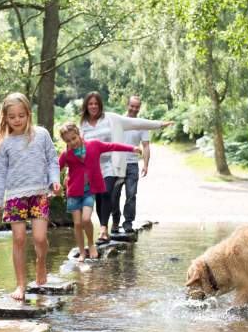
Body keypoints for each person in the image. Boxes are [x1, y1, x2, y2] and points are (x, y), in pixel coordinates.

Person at [0, 92, 61, 300]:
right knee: (19, 239)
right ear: (5, 118)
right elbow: (0, 174)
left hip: (39, 193)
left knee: (40, 237)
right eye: (12, 117)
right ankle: (21, 285)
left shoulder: (41, 134)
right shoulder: (5, 143)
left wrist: (54, 180)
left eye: (21, 115)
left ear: (28, 114)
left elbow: (52, 160)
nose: (17, 120)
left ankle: (41, 262)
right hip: (14, 197)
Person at [79, 91, 173, 243]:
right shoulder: (83, 124)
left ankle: (104, 229)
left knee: (107, 192)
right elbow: (78, 146)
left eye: (96, 103)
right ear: (86, 106)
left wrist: (159, 124)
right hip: (93, 167)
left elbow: (138, 123)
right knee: (99, 197)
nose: (93, 106)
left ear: (100, 105)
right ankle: (107, 226)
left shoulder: (111, 118)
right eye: (90, 104)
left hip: (111, 164)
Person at [58, 122, 141, 259]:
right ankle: (82, 251)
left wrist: (132, 148)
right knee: (77, 224)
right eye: (68, 140)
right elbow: (56, 168)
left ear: (79, 134)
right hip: (73, 192)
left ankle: (91, 244)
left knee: (86, 219)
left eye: (74, 138)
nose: (72, 142)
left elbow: (113, 146)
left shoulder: (94, 145)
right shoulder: (66, 154)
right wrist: (53, 185)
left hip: (89, 191)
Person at [112, 96, 150, 233]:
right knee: (114, 194)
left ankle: (128, 222)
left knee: (131, 194)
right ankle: (115, 221)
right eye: (132, 106)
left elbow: (146, 146)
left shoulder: (142, 125)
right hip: (117, 165)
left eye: (137, 107)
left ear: (139, 107)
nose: (134, 109)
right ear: (127, 105)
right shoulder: (119, 122)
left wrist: (146, 165)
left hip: (133, 165)